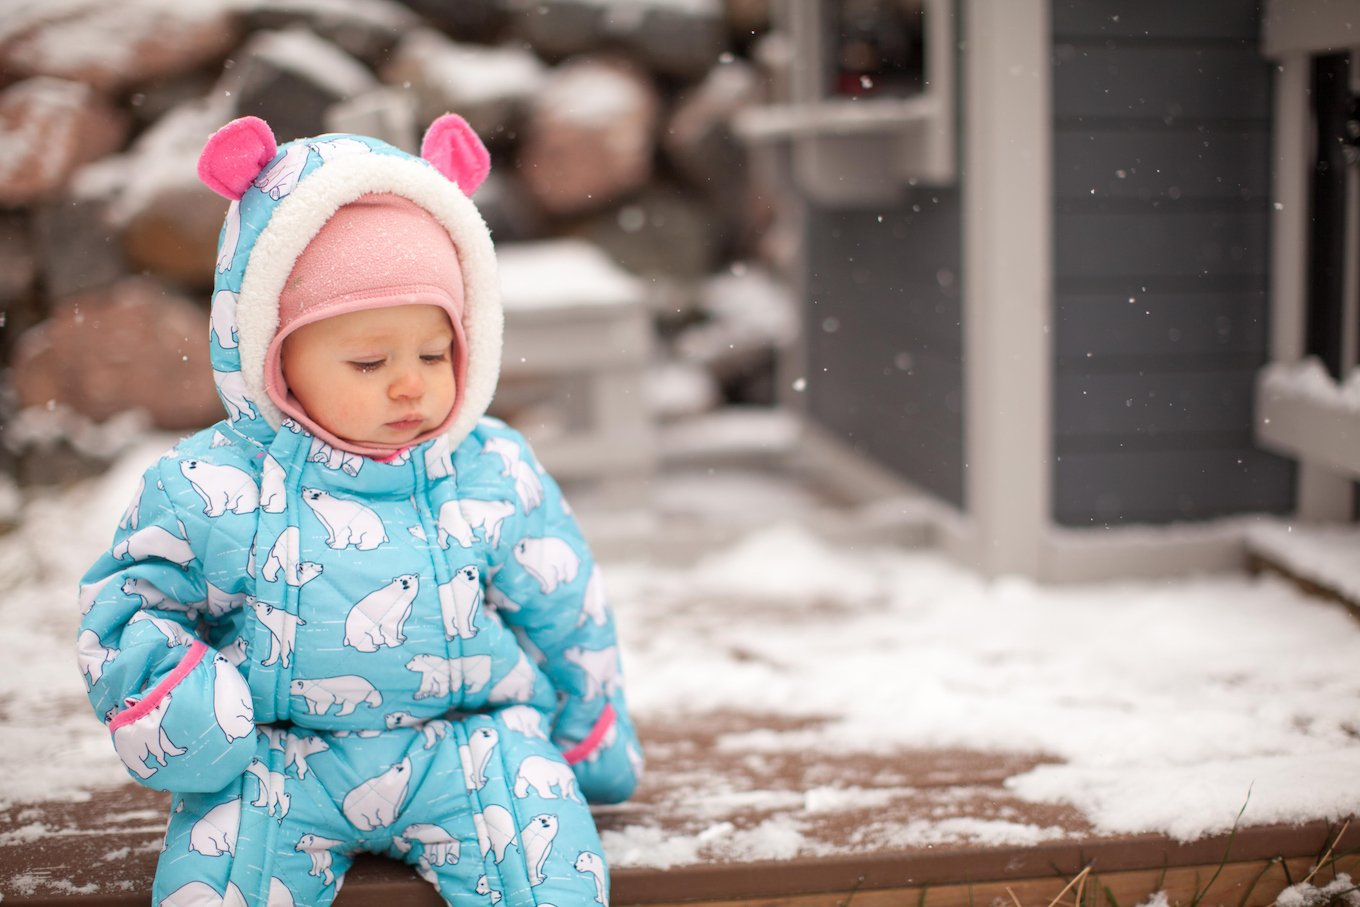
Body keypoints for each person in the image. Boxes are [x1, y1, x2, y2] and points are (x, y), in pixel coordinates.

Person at [75, 113, 642, 907]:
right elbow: (131, 602)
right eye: (370, 360)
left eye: (434, 353)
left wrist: (591, 726)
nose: (410, 384)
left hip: (471, 741)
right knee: (222, 883)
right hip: (275, 757)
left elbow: (565, 601)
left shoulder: (490, 467)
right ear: (273, 356)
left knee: (545, 868)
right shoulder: (208, 484)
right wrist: (178, 701)